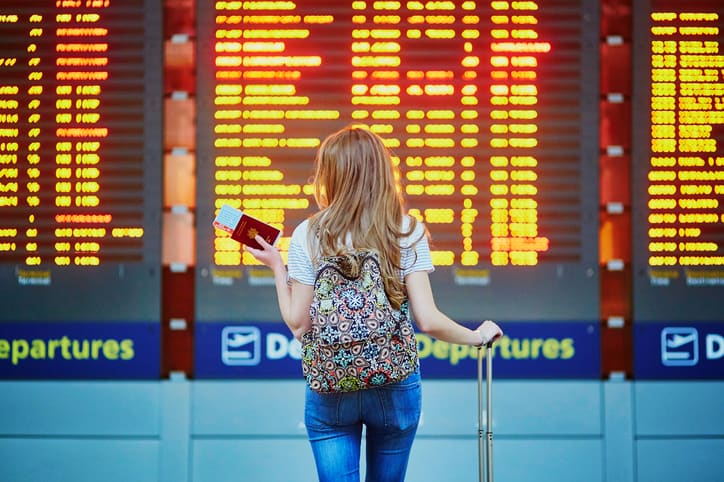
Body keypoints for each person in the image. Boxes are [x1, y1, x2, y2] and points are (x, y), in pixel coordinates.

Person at [245, 125, 503, 482]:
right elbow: (427, 320)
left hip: (331, 383)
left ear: (331, 175)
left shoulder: (309, 233)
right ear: (383, 172)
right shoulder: (405, 230)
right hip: (394, 382)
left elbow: (298, 324)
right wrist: (477, 336)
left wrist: (277, 266)